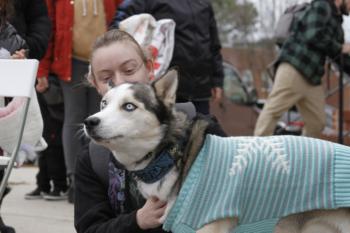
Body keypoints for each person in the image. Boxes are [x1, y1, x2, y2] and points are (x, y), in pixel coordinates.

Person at [74, 29, 226, 233]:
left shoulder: (203, 133)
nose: (120, 82)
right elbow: (90, 229)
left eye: (129, 70)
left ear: (149, 68)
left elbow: (236, 196)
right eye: (106, 78)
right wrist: (136, 220)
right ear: (94, 84)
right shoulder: (92, 158)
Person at [37, 0, 122, 203]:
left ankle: (101, 175)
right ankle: (75, 178)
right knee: (74, 118)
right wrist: (42, 69)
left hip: (104, 62)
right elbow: (49, 27)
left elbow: (122, 18)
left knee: (101, 117)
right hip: (71, 62)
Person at [254, 0, 350, 138]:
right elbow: (313, 34)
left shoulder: (336, 21)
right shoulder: (321, 5)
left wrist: (342, 51)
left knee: (317, 122)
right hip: (295, 67)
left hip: (312, 78)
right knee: (273, 110)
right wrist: (341, 47)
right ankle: (255, 152)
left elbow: (338, 56)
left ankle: (303, 154)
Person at [110, 0, 225, 115]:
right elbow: (120, 21)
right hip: (163, 91)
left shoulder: (204, 3)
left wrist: (217, 81)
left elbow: (214, 45)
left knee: (199, 131)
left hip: (200, 92)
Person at [25, 75, 68, 201]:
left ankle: (60, 187)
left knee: (54, 154)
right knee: (42, 153)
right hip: (42, 120)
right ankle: (43, 186)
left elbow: (57, 100)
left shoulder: (51, 77)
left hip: (54, 120)